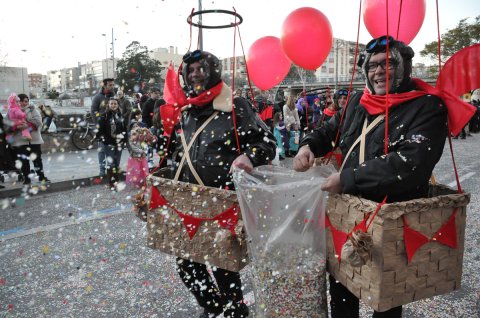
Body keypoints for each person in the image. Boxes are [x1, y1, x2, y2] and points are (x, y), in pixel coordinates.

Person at [293, 36, 452, 318]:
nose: (378, 71)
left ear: (405, 67)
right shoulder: (358, 100)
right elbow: (330, 130)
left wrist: (348, 178)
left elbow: (411, 163)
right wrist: (308, 145)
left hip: (390, 220)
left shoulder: (427, 106)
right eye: (372, 65)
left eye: (388, 63)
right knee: (342, 287)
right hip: (347, 214)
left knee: (386, 297)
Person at [160, 50, 276, 318]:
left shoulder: (237, 105)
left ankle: (235, 311)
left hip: (222, 204)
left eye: (201, 68)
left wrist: (250, 156)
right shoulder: (186, 111)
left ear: (213, 70)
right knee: (188, 266)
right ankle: (214, 308)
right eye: (190, 70)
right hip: (188, 202)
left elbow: (267, 143)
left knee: (224, 267)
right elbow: (179, 151)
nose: (195, 74)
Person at [8, 94, 50, 185]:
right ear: (17, 101)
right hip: (20, 141)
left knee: (37, 160)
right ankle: (27, 179)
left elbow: (39, 122)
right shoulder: (11, 111)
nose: (23, 103)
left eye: (26, 101)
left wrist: (27, 125)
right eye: (21, 101)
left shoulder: (33, 110)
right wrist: (16, 127)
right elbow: (7, 125)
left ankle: (41, 177)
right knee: (24, 161)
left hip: (34, 141)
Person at [96, 98, 127, 190]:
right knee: (110, 163)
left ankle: (116, 182)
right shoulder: (104, 116)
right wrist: (104, 140)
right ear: (108, 105)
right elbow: (99, 130)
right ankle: (111, 184)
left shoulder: (120, 115)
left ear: (118, 105)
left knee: (117, 163)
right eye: (112, 104)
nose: (113, 105)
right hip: (108, 143)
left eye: (115, 104)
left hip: (118, 143)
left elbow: (124, 128)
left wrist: (124, 139)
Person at [91, 78, 115, 177]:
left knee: (111, 150)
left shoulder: (114, 96)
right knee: (101, 150)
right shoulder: (98, 97)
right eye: (110, 85)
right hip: (102, 127)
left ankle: (110, 170)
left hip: (112, 127)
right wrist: (98, 123)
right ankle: (102, 170)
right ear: (104, 85)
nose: (112, 86)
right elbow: (93, 112)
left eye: (112, 84)